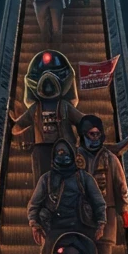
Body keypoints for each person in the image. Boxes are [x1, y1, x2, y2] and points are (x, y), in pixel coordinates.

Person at [28, 139, 107, 254]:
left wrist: (101, 224)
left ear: (72, 155)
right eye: (59, 152)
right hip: (54, 228)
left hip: (81, 226)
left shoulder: (84, 178)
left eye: (65, 152)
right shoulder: (47, 179)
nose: (62, 156)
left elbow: (98, 202)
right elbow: (34, 204)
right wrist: (34, 224)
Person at [11, 50, 84, 181]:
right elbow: (18, 125)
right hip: (46, 149)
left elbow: (82, 121)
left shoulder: (61, 107)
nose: (49, 87)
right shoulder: (38, 109)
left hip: (61, 147)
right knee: (43, 181)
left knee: (65, 179)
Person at [75, 115, 128, 254]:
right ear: (83, 135)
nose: (94, 138)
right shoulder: (74, 158)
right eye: (91, 134)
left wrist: (125, 209)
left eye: (97, 134)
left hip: (107, 214)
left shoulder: (110, 158)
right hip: (80, 215)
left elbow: (121, 186)